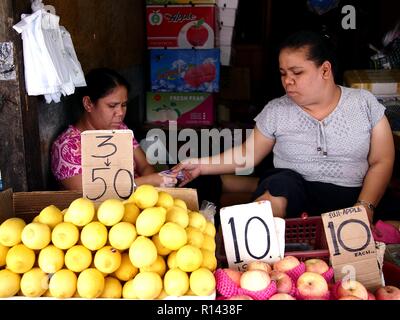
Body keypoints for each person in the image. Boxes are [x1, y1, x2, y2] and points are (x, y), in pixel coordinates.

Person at [173, 30, 395, 223]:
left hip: (350, 200)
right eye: (283, 74)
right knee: (280, 182)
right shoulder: (276, 110)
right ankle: (258, 248)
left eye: (297, 73)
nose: (288, 80)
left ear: (325, 71)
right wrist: (200, 165)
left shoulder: (363, 104)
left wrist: (365, 206)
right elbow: (246, 155)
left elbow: (382, 161)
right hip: (292, 198)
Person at [51, 67, 178, 190]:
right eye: (112, 106)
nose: (120, 113)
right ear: (88, 103)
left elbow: (144, 166)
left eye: (124, 105)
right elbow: (91, 193)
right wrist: (147, 182)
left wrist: (153, 185)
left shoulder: (120, 130)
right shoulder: (67, 147)